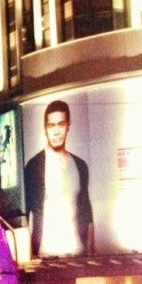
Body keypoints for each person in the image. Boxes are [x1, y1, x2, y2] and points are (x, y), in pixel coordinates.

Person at [24, 99, 94, 258]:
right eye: (51, 126)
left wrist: (90, 250)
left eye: (61, 125)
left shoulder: (80, 165)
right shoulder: (34, 165)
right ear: (45, 128)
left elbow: (86, 209)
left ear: (68, 126)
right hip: (46, 255)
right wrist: (28, 255)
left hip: (77, 253)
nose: (56, 132)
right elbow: (25, 214)